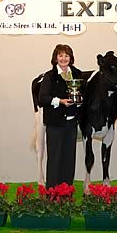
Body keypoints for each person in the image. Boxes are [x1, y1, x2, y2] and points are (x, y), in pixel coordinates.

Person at [38, 44, 82, 188]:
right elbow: (42, 98)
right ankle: (52, 193)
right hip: (55, 124)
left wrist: (80, 101)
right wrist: (60, 101)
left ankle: (66, 192)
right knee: (55, 158)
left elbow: (84, 95)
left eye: (66, 55)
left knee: (69, 159)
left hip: (71, 123)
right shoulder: (49, 76)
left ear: (71, 58)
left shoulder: (77, 74)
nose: (64, 58)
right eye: (61, 55)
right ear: (55, 58)